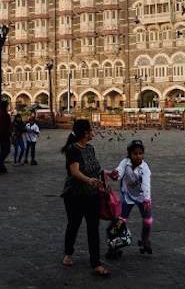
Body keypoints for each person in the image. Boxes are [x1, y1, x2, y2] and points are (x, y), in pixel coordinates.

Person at [60, 118, 114, 277]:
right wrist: (89, 181)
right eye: (91, 130)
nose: (93, 132)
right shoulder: (73, 149)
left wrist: (108, 173)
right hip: (75, 196)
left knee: (93, 229)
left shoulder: (90, 148)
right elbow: (75, 172)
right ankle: (68, 252)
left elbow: (94, 169)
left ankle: (95, 264)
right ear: (85, 132)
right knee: (73, 225)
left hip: (92, 196)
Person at [112, 139, 152, 254]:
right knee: (121, 220)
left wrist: (146, 201)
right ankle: (115, 241)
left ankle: (145, 238)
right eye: (135, 154)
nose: (138, 156)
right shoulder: (125, 163)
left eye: (140, 153)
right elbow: (119, 172)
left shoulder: (145, 168)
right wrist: (116, 175)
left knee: (148, 220)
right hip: (127, 195)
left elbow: (146, 185)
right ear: (129, 154)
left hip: (142, 197)